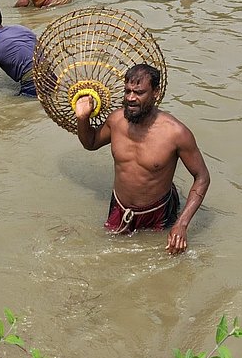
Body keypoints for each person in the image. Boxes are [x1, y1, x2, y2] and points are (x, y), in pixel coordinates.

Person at [74, 63, 211, 253]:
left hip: (158, 212)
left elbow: (202, 177)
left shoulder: (176, 133)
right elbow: (91, 143)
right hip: (120, 207)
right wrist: (82, 118)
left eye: (139, 92)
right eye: (127, 91)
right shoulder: (116, 121)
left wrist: (182, 224)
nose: (131, 98)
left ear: (155, 92)